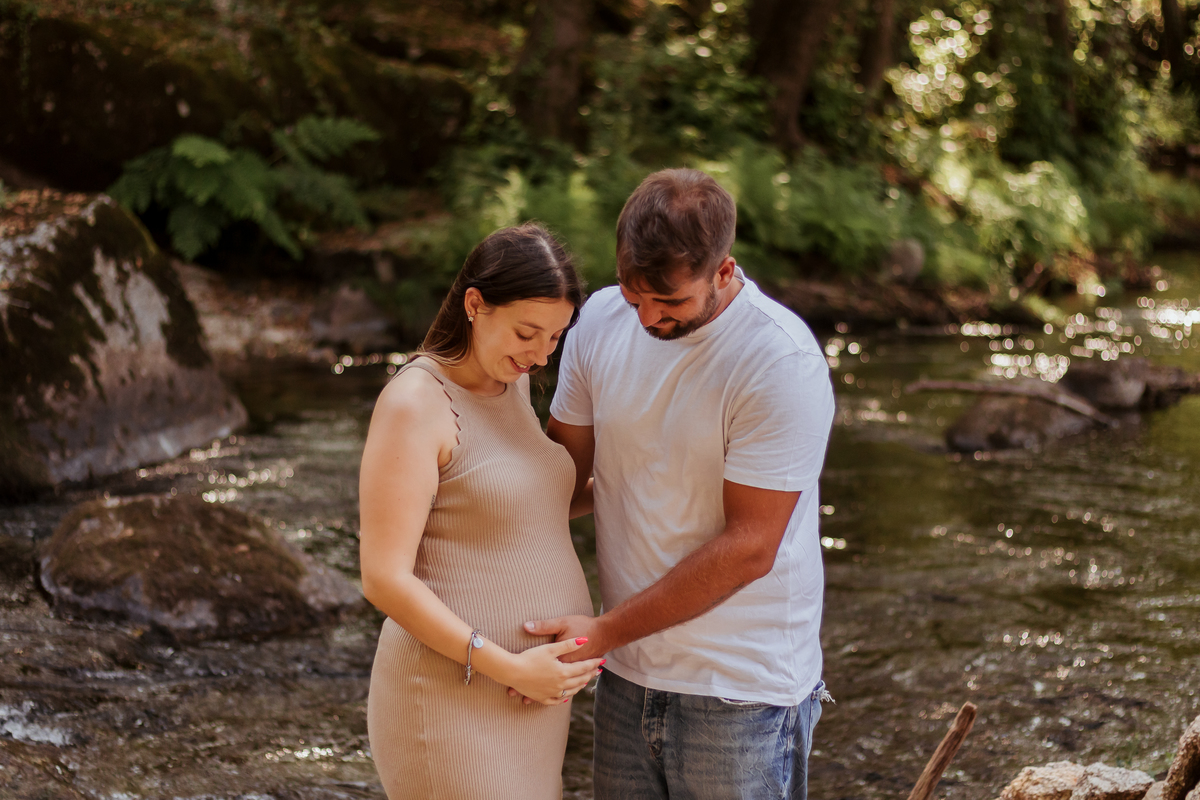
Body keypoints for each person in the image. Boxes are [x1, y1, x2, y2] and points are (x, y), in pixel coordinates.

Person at [525, 168, 836, 799]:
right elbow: (563, 479)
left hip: (742, 690)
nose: (647, 319)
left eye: (670, 304)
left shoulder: (778, 362)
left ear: (724, 272)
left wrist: (600, 634)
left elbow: (751, 546)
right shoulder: (601, 322)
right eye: (636, 297)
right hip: (627, 674)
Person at [358, 223, 605, 800]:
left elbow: (525, 511)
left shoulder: (510, 385)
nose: (540, 355)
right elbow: (383, 578)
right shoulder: (415, 403)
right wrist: (511, 667)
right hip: (450, 690)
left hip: (530, 690)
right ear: (475, 304)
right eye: (527, 332)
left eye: (555, 338)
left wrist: (651, 484)